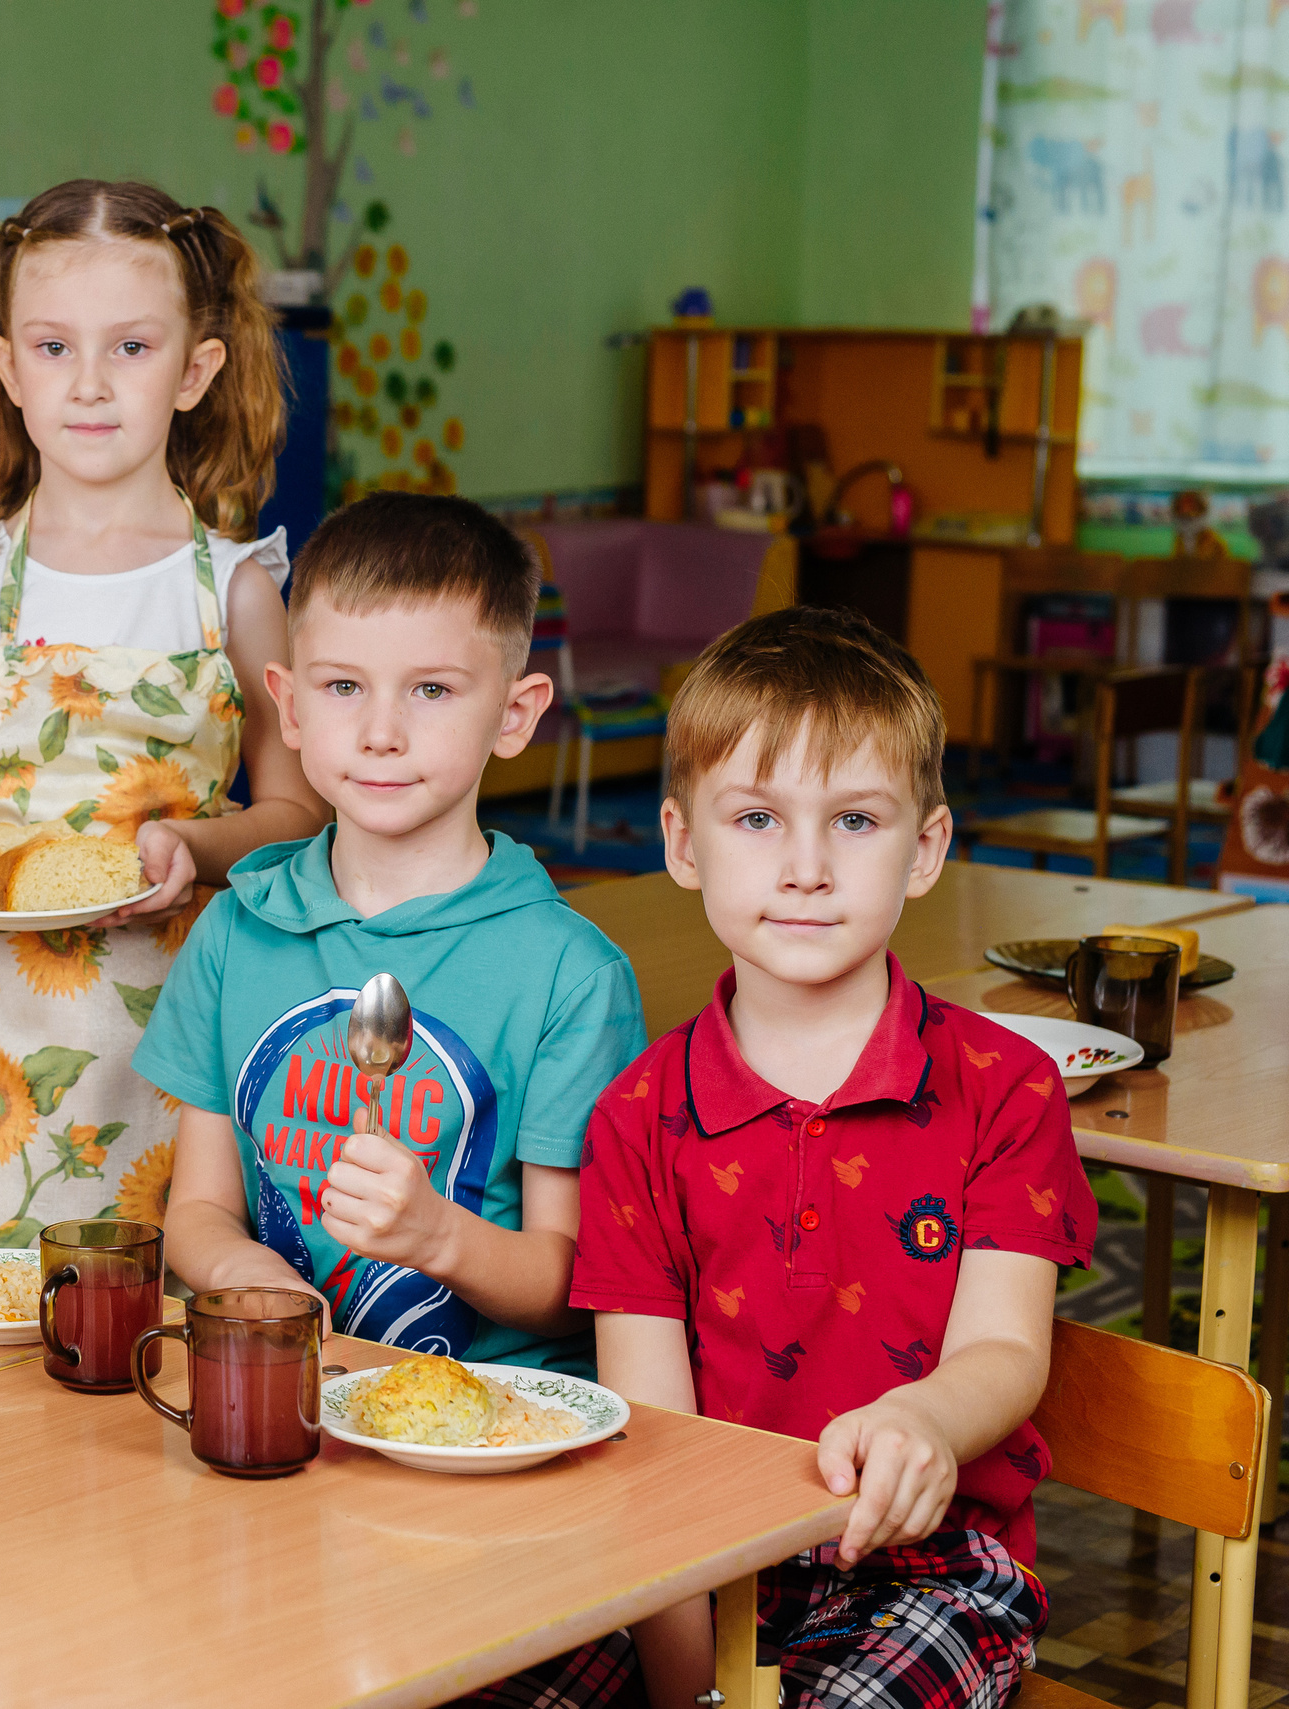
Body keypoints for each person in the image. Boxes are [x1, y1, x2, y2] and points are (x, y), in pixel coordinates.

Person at [506, 606, 1095, 1709]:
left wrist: (924, 1419)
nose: (809, 867)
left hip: (934, 1571)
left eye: (857, 820)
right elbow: (657, 1446)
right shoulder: (636, 1114)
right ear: (684, 842)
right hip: (695, 1557)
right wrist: (692, 1686)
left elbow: (1005, 1349)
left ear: (924, 850)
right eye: (758, 817)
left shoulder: (1003, 1087)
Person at [0, 178, 326, 1243]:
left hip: (183, 1034)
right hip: (3, 1040)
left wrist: (193, 843)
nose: (89, 384)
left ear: (195, 369)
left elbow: (297, 813)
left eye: (130, 348)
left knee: (166, 1297)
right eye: (51, 347)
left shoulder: (235, 586)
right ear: (5, 368)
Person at [137, 492, 643, 1368]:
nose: (380, 733)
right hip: (285, 1388)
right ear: (290, 709)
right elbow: (199, 1208)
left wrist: (438, 1236)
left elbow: (574, 1287)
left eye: (433, 690)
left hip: (489, 1422)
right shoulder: (233, 931)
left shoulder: (571, 975)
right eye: (342, 687)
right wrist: (243, 1270)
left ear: (515, 714)